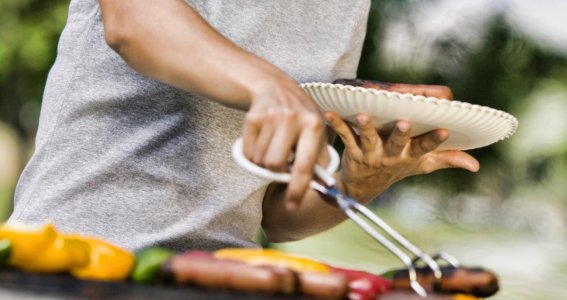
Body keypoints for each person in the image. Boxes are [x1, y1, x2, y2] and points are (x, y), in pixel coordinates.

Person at [8, 0, 479, 251]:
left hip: (221, 275)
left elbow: (275, 214)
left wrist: (359, 181)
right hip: (70, 260)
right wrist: (270, 86)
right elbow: (133, 19)